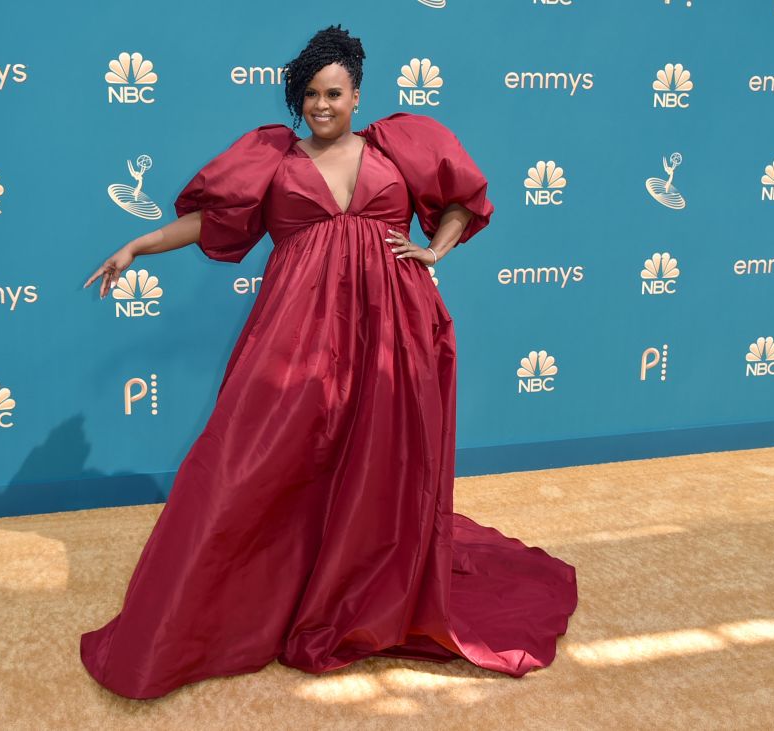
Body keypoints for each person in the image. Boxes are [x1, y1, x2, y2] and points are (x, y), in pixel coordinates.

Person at [80, 24, 578, 700]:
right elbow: (211, 220)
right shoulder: (271, 158)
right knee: (250, 459)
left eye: (334, 93)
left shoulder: (401, 144)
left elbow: (465, 198)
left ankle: (363, 595)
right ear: (298, 98)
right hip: (295, 334)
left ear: (357, 94)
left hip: (394, 332)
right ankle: (217, 608)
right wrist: (140, 244)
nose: (321, 105)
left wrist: (436, 253)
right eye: (310, 93)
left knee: (384, 463)